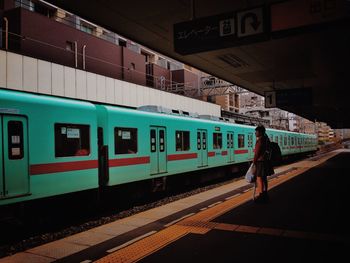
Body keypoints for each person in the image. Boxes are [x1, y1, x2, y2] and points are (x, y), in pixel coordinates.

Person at [253, 125, 272, 203]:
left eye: (256, 131)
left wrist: (254, 162)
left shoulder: (260, 140)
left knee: (259, 178)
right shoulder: (266, 139)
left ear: (260, 132)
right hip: (266, 161)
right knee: (264, 179)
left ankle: (261, 195)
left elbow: (257, 153)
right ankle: (265, 194)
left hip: (260, 162)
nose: (255, 133)